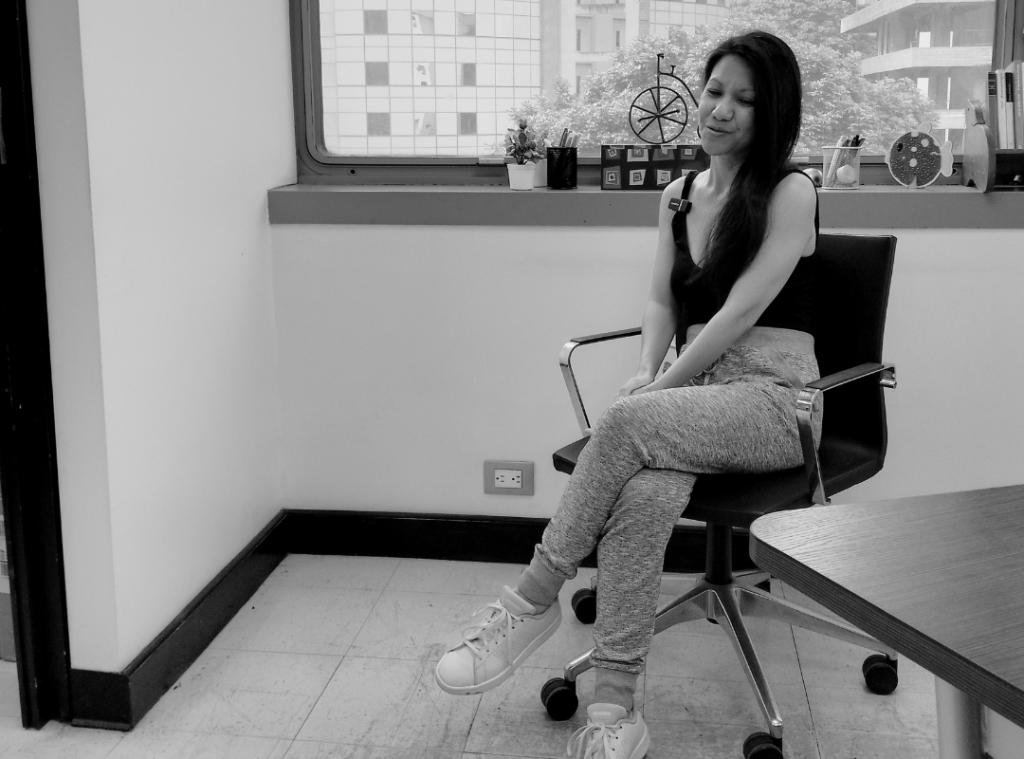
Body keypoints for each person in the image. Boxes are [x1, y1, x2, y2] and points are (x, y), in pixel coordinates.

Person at [435, 30, 819, 759]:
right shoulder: (677, 197)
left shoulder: (791, 192)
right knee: (640, 499)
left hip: (776, 402)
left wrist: (658, 389)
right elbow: (661, 301)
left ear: (773, 113)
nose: (721, 110)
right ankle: (616, 706)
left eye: (744, 100)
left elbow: (738, 314)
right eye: (714, 91)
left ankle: (532, 597)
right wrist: (650, 367)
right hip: (695, 398)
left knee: (627, 421)